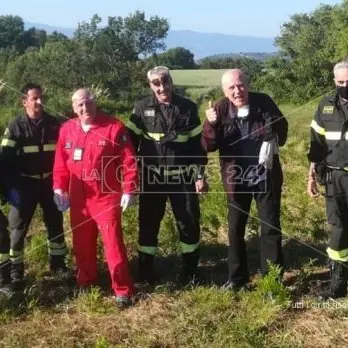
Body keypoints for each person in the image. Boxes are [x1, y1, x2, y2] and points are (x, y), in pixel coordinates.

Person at [201, 69, 288, 290]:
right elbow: (208, 145)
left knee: (269, 228)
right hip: (236, 179)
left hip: (265, 176)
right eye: (231, 87)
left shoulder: (264, 102)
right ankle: (237, 279)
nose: (237, 91)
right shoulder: (219, 109)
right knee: (235, 229)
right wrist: (211, 124)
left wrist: (272, 139)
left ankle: (272, 280)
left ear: (247, 85)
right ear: (224, 91)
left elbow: (283, 128)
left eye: (240, 85)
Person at [53, 88, 138, 308]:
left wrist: (129, 189)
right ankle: (86, 281)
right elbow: (61, 165)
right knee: (81, 244)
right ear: (73, 107)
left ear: (95, 103)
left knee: (113, 244)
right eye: (79, 105)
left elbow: (129, 162)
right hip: (79, 199)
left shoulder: (113, 127)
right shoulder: (67, 130)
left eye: (88, 103)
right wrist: (59, 189)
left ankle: (122, 289)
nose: (84, 108)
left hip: (106, 197)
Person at [126, 66, 208, 285]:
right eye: (156, 83)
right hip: (152, 179)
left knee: (188, 223)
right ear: (150, 85)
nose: (162, 87)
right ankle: (145, 272)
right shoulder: (141, 108)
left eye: (165, 81)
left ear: (171, 81)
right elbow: (128, 146)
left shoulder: (188, 108)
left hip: (182, 179)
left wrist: (200, 175)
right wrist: (128, 179)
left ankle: (190, 271)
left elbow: (197, 147)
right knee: (148, 224)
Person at [0, 83, 69, 290]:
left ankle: (58, 265)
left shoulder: (53, 124)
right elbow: (4, 160)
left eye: (41, 98)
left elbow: (65, 153)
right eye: (35, 98)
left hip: (49, 183)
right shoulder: (15, 126)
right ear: (24, 102)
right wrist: (10, 189)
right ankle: (15, 271)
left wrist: (63, 185)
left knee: (55, 225)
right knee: (17, 228)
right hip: (24, 184)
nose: (40, 102)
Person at [307, 60, 348, 298]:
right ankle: (338, 280)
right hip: (335, 177)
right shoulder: (325, 107)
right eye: (341, 82)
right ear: (334, 81)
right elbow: (316, 145)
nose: (344, 86)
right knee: (339, 229)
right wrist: (311, 173)